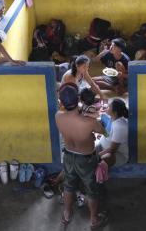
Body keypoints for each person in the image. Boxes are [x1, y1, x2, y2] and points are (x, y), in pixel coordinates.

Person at [55, 83, 108, 229]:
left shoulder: (58, 116)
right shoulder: (89, 122)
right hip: (86, 159)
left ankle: (66, 214)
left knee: (68, 186)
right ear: (78, 99)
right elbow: (104, 132)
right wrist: (95, 115)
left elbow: (70, 113)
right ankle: (93, 220)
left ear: (61, 102)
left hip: (68, 156)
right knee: (91, 190)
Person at [96, 98, 129, 168]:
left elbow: (112, 150)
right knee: (88, 152)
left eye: (109, 107)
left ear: (115, 112)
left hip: (118, 154)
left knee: (104, 158)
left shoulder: (120, 127)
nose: (106, 107)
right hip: (104, 146)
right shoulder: (112, 118)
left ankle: (99, 173)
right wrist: (103, 134)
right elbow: (108, 133)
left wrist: (98, 155)